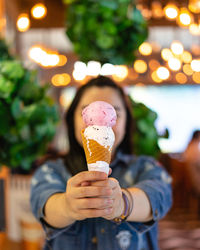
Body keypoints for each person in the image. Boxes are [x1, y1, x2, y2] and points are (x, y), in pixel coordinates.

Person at [30, 76, 172, 250]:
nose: (100, 123)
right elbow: (44, 204)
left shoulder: (146, 167)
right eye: (86, 110)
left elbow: (158, 196)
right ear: (71, 119)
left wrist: (122, 204)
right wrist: (67, 206)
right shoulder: (51, 170)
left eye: (116, 112)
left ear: (127, 122)